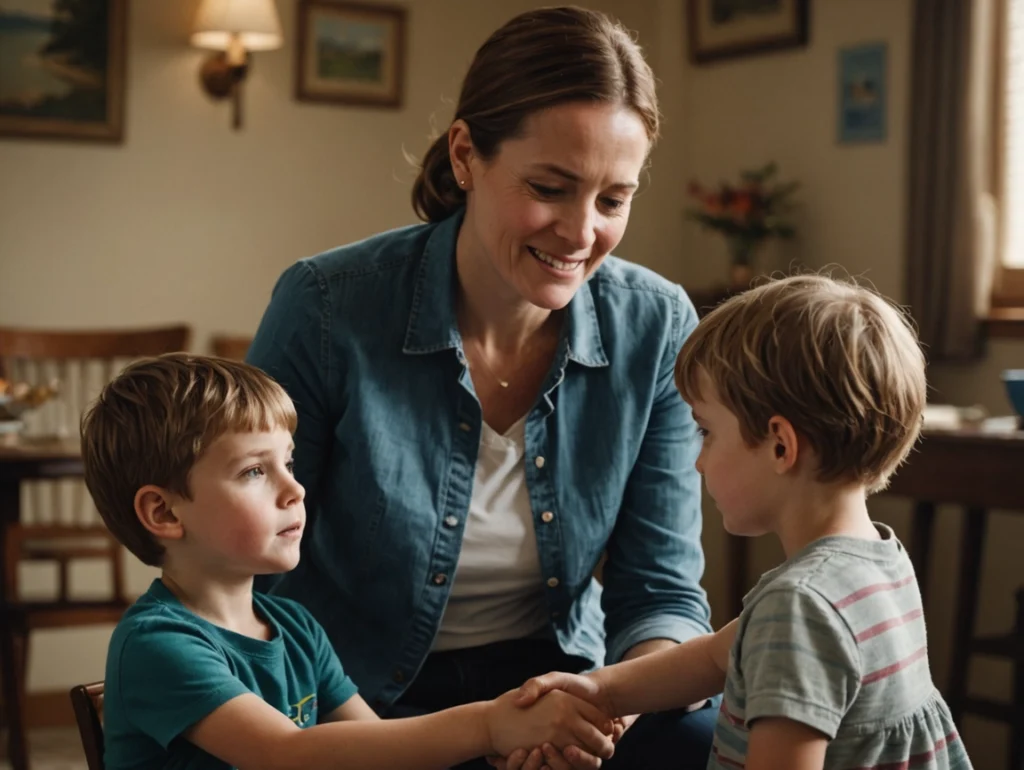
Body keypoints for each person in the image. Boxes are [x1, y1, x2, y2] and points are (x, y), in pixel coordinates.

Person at [247, 6, 716, 769]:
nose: (580, 232)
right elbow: (245, 565)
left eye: (612, 200)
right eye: (550, 187)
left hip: (567, 680)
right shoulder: (328, 307)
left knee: (716, 746)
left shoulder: (657, 325)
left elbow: (661, 590)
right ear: (466, 154)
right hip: (358, 692)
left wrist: (609, 706)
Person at [512, 274, 975, 770]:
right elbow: (713, 657)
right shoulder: (881, 562)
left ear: (780, 445)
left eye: (706, 432)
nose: (698, 462)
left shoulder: (799, 607)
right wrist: (600, 691)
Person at [81, 354, 616, 770]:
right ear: (163, 512)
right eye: (253, 472)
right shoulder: (158, 645)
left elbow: (372, 745)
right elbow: (288, 755)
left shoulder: (295, 626)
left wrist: (504, 741)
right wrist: (487, 726)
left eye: (288, 463)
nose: (295, 489)